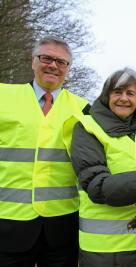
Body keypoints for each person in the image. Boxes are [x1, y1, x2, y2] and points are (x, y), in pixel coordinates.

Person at [63, 67, 136, 267]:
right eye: (117, 92)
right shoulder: (87, 128)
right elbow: (96, 184)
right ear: (106, 95)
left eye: (130, 93)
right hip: (108, 249)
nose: (124, 98)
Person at [0, 36, 89, 267]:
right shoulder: (3, 96)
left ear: (68, 69)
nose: (53, 65)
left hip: (62, 226)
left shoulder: (84, 108)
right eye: (46, 58)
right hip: (9, 222)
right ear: (33, 61)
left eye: (61, 62)